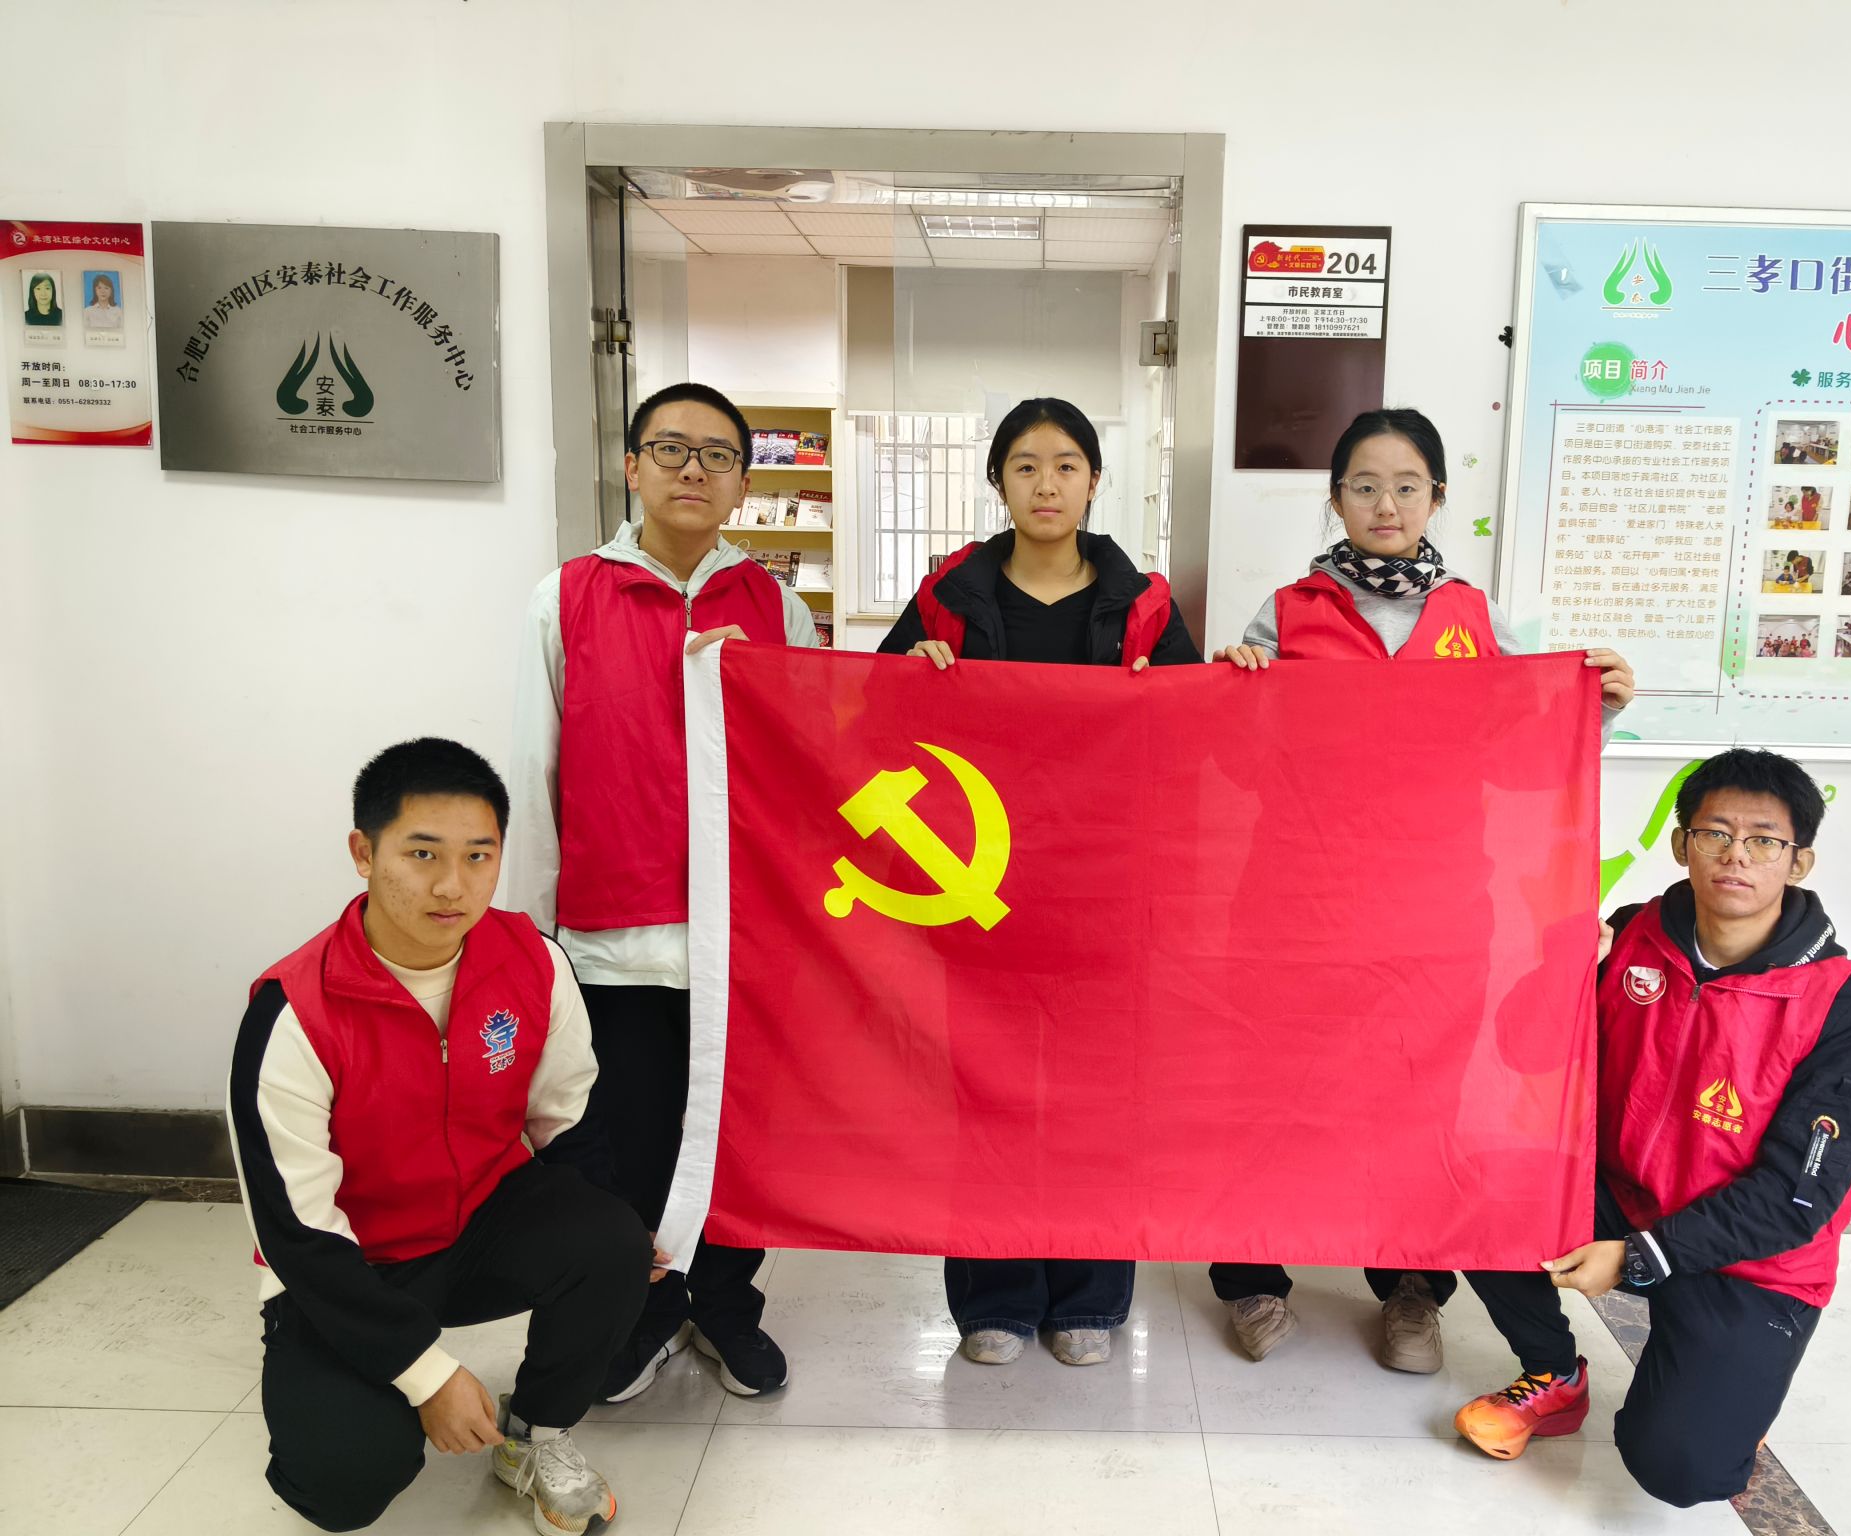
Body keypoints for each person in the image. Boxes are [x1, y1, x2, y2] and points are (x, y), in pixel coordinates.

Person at [1207, 407, 1636, 1369]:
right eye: (1364, 486)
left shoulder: (1474, 619)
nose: (1386, 504)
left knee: (1420, 1098)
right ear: (1336, 499)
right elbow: (1234, 764)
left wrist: (1595, 710)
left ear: (1437, 497)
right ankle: (1252, 1279)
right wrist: (1234, 690)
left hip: (1435, 909)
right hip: (1297, 903)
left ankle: (1411, 1289)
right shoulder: (1288, 613)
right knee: (1273, 1090)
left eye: (1406, 486)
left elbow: (1522, 749)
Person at [226, 739, 646, 1534]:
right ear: (363, 853)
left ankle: (535, 1436)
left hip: (479, 1223)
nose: (453, 885)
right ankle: (329, 1397)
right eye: (422, 854)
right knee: (343, 1484)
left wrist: (621, 1250)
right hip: (353, 1263)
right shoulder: (293, 1013)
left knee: (614, 1239)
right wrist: (427, 1376)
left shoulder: (534, 962)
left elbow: (567, 1120)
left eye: (478, 856)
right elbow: (296, 1234)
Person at [1453, 749, 1851, 1507]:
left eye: (1763, 840)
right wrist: (1558, 971)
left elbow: (1796, 1197)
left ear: (1799, 862)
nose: (1736, 854)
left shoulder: (1846, 1005)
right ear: (1683, 843)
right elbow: (1523, 1051)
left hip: (1752, 1259)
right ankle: (1555, 1375)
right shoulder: (1631, 935)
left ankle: (1727, 1398)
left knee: (1679, 1469)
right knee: (1474, 1183)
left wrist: (1639, 1257)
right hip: (1622, 1196)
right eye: (1715, 832)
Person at [506, 381, 820, 1404]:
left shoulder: (776, 607)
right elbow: (534, 770)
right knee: (628, 1147)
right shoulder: (566, 598)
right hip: (611, 938)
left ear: (741, 482)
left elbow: (813, 769)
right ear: (631, 464)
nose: (694, 469)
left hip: (744, 939)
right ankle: (640, 1314)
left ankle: (723, 1304)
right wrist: (532, 940)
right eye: (672, 448)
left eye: (718, 454)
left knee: (738, 1146)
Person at [879, 395, 1202, 1368]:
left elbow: (1198, 741)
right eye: (1024, 465)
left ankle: (1090, 1299)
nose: (1046, 483)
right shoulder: (947, 599)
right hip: (977, 892)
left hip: (1106, 891)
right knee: (986, 1094)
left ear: (1095, 480)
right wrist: (910, 673)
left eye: (1065, 465)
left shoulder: (1144, 607)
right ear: (998, 483)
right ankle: (995, 1297)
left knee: (1098, 1100)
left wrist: (1224, 680)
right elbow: (870, 724)